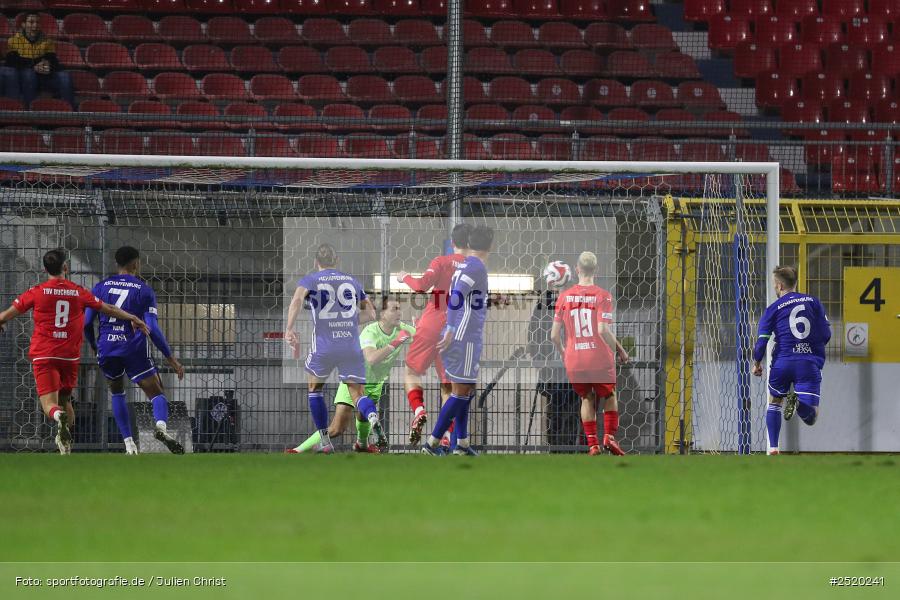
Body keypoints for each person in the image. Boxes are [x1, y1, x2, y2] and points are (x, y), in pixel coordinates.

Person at [0, 248, 149, 455]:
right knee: (65, 400)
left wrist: (2, 323)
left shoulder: (36, 291)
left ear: (45, 269)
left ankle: (58, 417)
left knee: (49, 405)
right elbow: (109, 308)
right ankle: (66, 446)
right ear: (65, 268)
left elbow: (6, 315)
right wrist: (133, 318)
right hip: (69, 356)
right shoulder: (78, 291)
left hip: (45, 354)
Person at [84, 246, 186, 455]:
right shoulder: (144, 290)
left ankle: (129, 445)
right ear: (136, 263)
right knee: (156, 393)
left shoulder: (100, 287)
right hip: (133, 348)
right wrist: (171, 358)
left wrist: (95, 346)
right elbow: (153, 329)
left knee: (117, 392)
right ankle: (160, 427)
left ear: (116, 264)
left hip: (107, 347)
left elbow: (86, 323)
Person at [285, 243, 383, 454]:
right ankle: (373, 417)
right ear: (337, 261)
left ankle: (325, 441)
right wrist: (346, 321)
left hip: (324, 345)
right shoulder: (351, 281)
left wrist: (289, 329)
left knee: (314, 389)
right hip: (350, 344)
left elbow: (296, 301)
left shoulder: (310, 280)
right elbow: (372, 314)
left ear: (315, 262)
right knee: (357, 394)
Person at [289, 298, 415, 454]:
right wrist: (397, 342)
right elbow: (371, 358)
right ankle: (297, 451)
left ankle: (362, 445)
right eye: (394, 309)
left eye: (399, 308)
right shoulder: (371, 331)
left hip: (376, 383)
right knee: (337, 429)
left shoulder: (402, 328)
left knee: (363, 418)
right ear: (382, 314)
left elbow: (425, 337)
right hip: (355, 380)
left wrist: (422, 328)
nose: (399, 312)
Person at [396, 222, 470, 448]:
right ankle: (447, 437)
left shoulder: (441, 262)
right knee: (447, 386)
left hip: (431, 324)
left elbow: (421, 286)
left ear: (453, 242)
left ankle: (419, 410)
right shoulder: (474, 268)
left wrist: (404, 277)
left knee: (410, 372)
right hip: (456, 331)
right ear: (469, 244)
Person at [422, 224, 494, 456]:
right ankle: (431, 444)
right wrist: (452, 328)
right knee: (460, 391)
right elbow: (456, 296)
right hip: (464, 338)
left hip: (462, 336)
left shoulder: (465, 264)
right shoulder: (477, 268)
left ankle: (461, 444)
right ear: (490, 246)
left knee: (466, 389)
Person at [551, 251, 630, 456]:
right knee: (610, 394)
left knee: (587, 397)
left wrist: (563, 352)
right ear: (596, 270)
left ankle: (593, 445)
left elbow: (553, 335)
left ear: (576, 269)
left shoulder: (564, 297)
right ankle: (609, 438)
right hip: (598, 356)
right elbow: (603, 330)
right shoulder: (603, 295)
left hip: (574, 358)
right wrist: (620, 350)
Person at [752, 265, 831, 456]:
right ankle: (798, 404)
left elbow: (762, 342)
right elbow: (826, 333)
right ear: (794, 283)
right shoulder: (814, 302)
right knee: (811, 417)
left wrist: (756, 363)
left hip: (783, 362)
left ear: (779, 286)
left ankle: (772, 448)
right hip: (808, 363)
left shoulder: (772, 309)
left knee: (774, 402)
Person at [527, 284, 581, 451]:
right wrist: (540, 364)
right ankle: (555, 448)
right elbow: (533, 336)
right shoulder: (543, 305)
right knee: (555, 412)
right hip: (552, 369)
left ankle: (569, 449)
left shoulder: (575, 302)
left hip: (571, 369)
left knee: (571, 412)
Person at [3, 12, 75, 108]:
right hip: (23, 78)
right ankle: (29, 109)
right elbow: (11, 62)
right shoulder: (13, 41)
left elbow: (53, 61)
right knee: (28, 73)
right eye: (31, 22)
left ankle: (70, 110)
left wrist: (48, 65)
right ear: (24, 24)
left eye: (37, 22)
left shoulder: (47, 41)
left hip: (43, 77)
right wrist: (33, 66)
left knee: (65, 76)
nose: (35, 25)